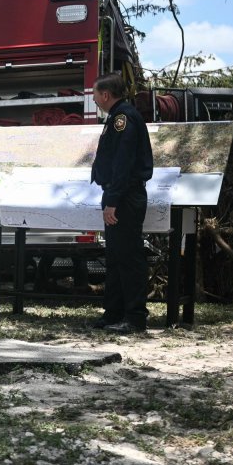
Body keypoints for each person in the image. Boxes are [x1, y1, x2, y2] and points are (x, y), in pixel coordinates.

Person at [90, 73, 154, 333]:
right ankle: (114, 313)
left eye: (95, 94)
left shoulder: (123, 118)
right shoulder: (117, 116)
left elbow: (123, 163)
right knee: (115, 257)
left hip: (125, 197)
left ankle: (135, 317)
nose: (93, 98)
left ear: (106, 95)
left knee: (128, 257)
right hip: (118, 194)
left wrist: (113, 201)